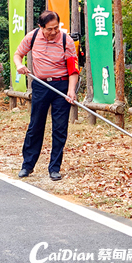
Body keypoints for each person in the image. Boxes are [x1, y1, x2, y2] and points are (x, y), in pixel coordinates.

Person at [13, 11, 79, 181]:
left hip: (61, 86)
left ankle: (54, 168)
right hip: (40, 85)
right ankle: (27, 165)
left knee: (59, 128)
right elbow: (17, 55)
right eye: (49, 29)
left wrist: (71, 90)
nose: (53, 32)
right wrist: (20, 65)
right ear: (40, 27)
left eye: (56, 28)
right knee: (36, 125)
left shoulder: (66, 40)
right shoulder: (32, 37)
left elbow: (73, 69)